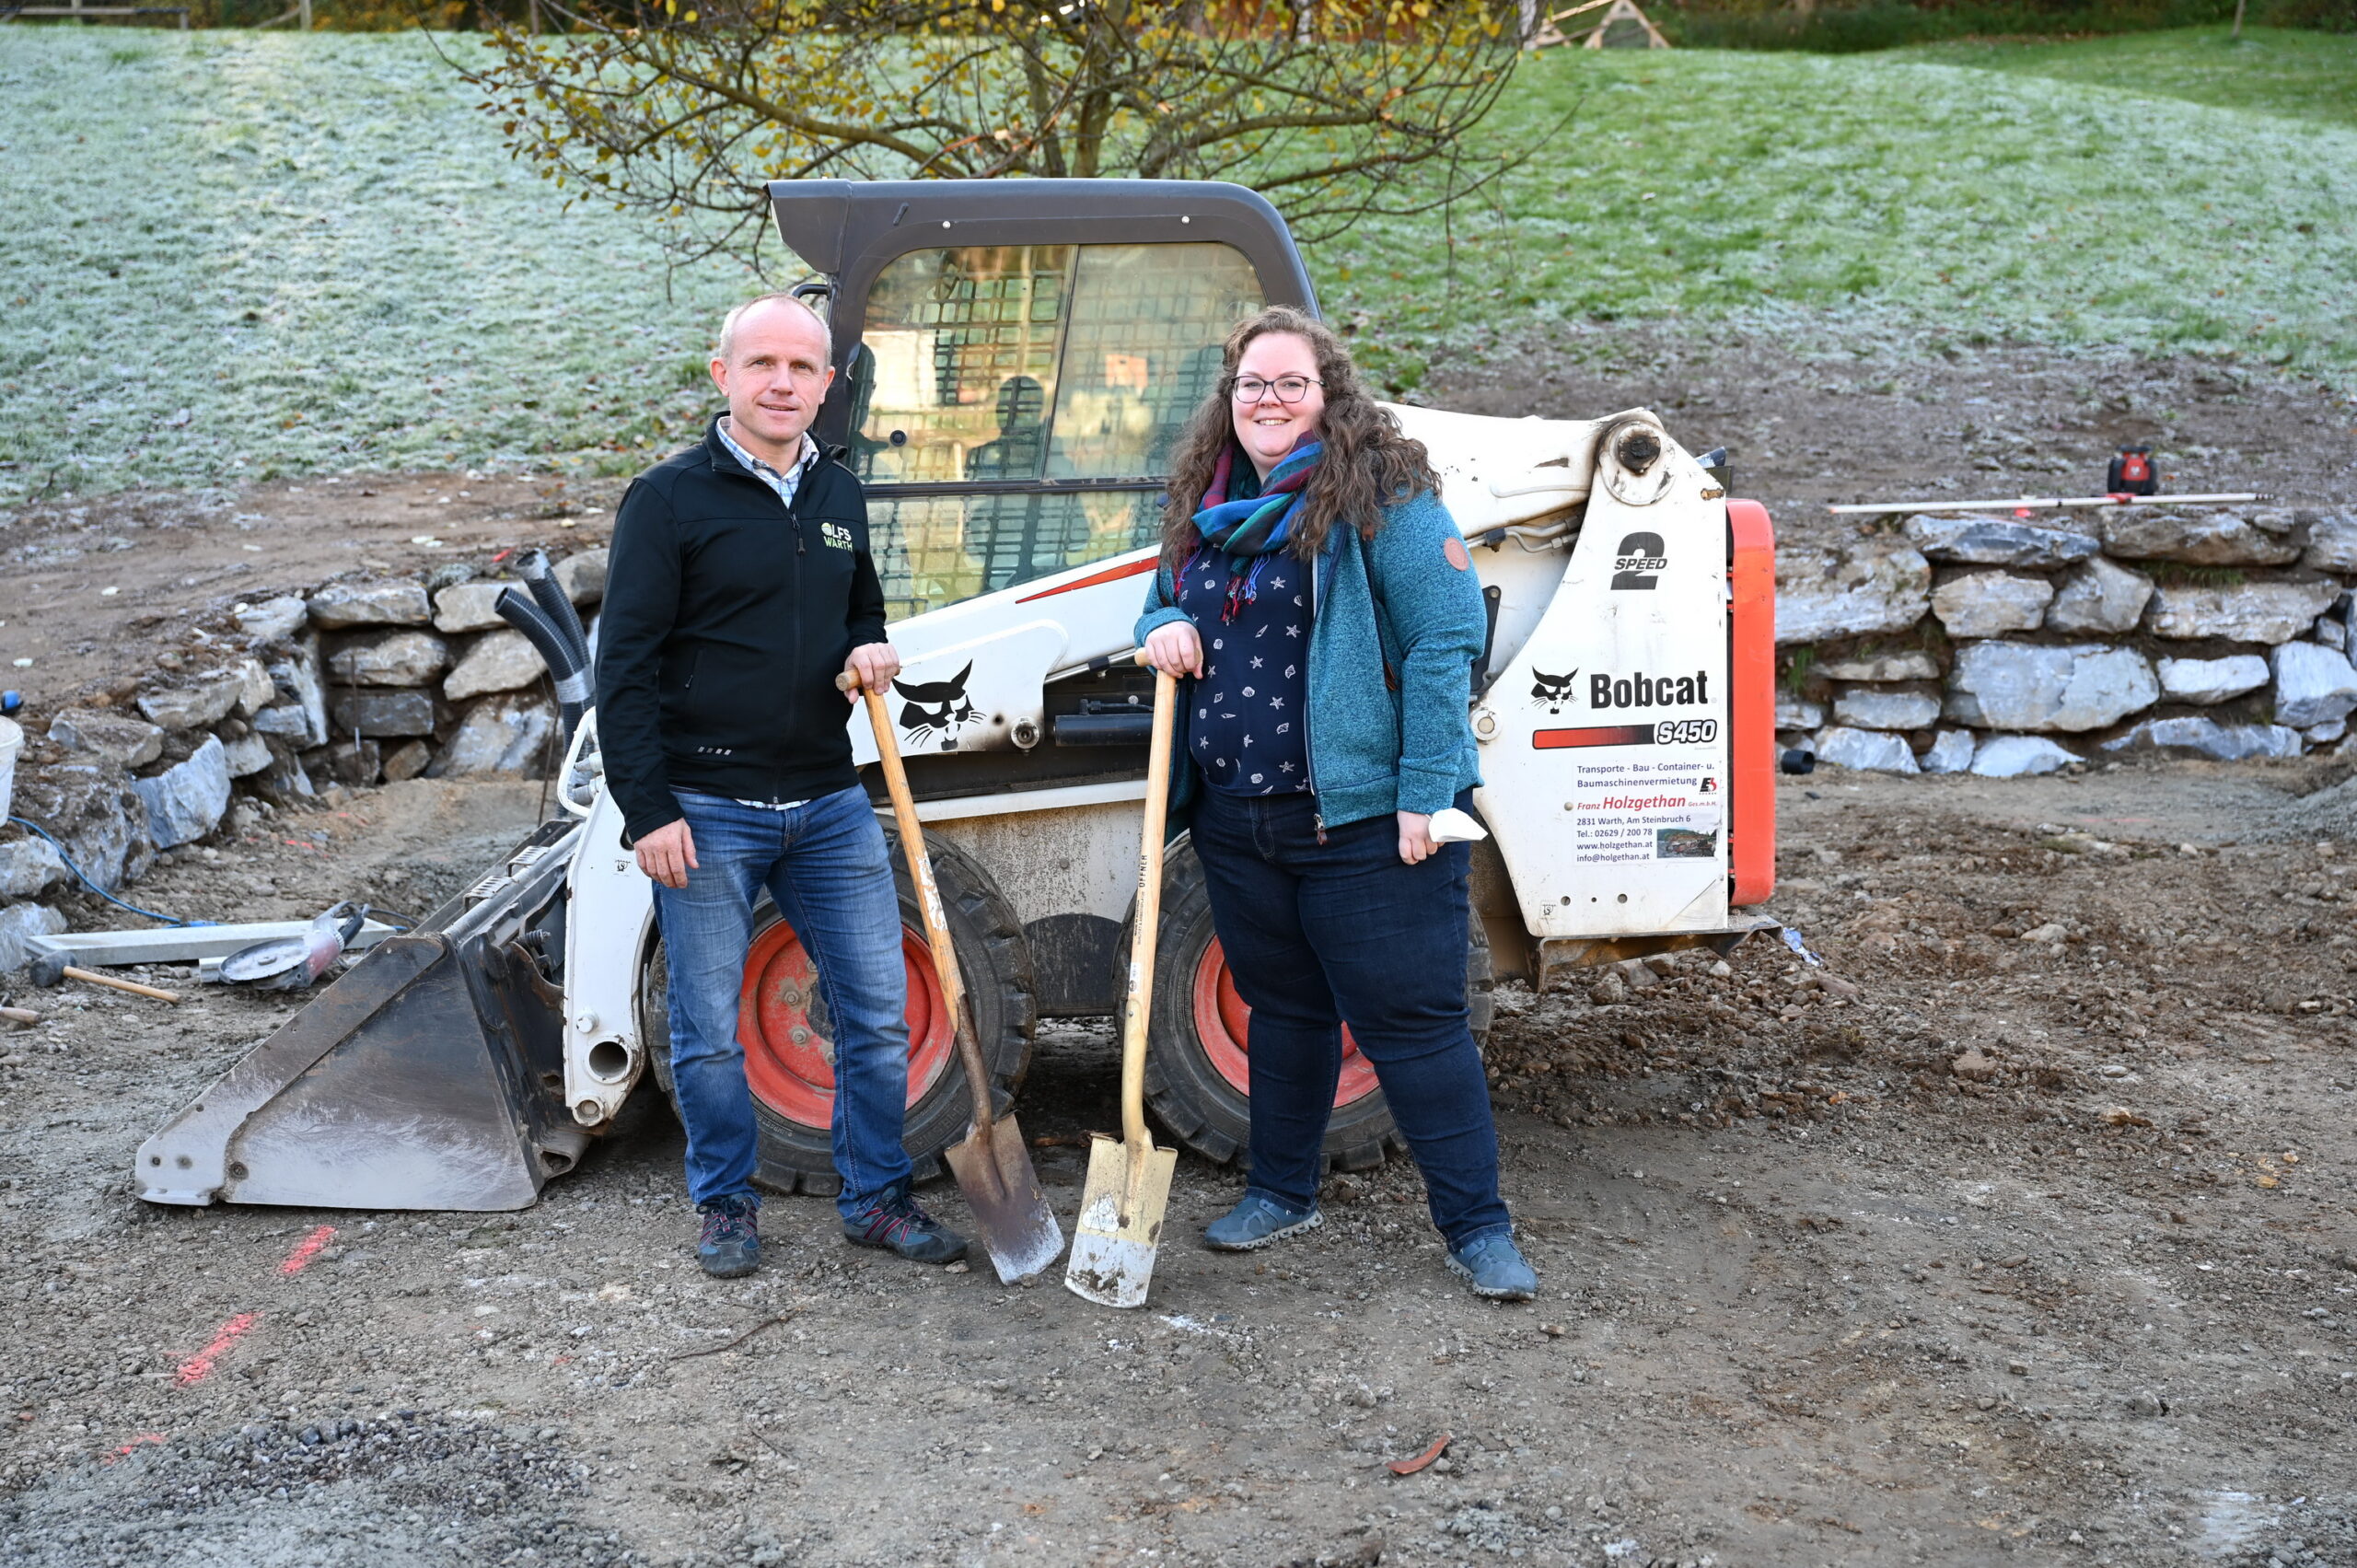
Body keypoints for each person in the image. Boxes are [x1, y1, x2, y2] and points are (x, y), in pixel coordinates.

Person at [1134, 305, 1538, 1301]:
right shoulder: (1208, 503)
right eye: (1249, 385)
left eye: (1288, 383)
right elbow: (1157, 602)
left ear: (1329, 394)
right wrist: (1163, 625)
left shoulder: (1382, 493)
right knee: (1283, 1010)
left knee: (1413, 1023)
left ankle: (1478, 1229)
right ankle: (1281, 1189)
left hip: (1362, 821)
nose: (1266, 401)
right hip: (1238, 819)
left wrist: (1424, 796)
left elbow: (1447, 640)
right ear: (1228, 401)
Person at [597, 293, 968, 1279]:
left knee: (878, 1013)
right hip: (707, 809)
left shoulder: (839, 496)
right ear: (723, 375)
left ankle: (877, 1198)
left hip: (827, 800)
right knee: (708, 1031)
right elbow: (622, 667)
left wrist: (869, 647)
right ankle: (725, 1207)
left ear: (827, 385)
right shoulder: (667, 499)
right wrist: (649, 808)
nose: (782, 382)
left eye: (802, 368)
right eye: (762, 363)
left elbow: (863, 610)